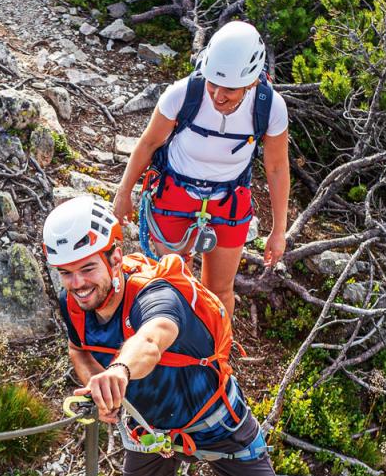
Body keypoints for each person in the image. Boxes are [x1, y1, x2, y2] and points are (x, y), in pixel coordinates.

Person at [42, 195, 303, 476]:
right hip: (148, 427)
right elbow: (79, 349)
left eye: (88, 268)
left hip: (215, 419)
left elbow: (151, 341)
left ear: (115, 257)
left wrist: (119, 371)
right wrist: (101, 390)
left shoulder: (157, 295)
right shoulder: (73, 304)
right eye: (67, 274)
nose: (78, 285)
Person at [111, 21, 290, 322]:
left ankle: (217, 361)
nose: (218, 95)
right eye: (212, 83)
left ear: (251, 83)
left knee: (219, 291)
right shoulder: (183, 94)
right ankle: (170, 353)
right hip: (175, 194)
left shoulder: (270, 107)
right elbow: (149, 143)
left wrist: (278, 231)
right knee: (170, 281)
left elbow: (276, 167)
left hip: (229, 200)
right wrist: (123, 192)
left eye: (230, 89)